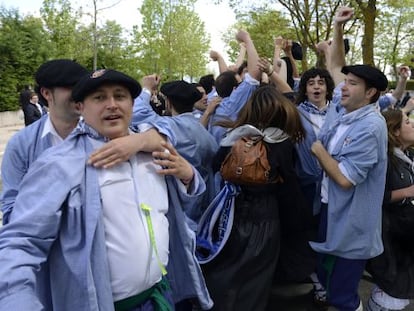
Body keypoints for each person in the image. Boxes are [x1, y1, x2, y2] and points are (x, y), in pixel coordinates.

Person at [0, 69, 212, 311]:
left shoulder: (153, 150)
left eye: (120, 96)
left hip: (161, 296)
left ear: (133, 103)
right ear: (80, 107)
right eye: (99, 98)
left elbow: (177, 206)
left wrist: (188, 176)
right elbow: (21, 240)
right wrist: (17, 300)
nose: (112, 105)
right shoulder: (58, 163)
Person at [1, 59, 172, 225]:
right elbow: (11, 208)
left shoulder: (106, 126)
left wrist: (143, 140)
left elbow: (171, 132)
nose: (80, 92)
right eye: (72, 87)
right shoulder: (22, 144)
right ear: (47, 93)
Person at [309, 6, 388, 311]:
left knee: (342, 294)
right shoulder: (345, 110)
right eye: (346, 82)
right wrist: (338, 28)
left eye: (353, 84)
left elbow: (344, 178)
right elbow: (336, 67)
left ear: (370, 93)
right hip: (331, 210)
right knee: (328, 282)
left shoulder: (370, 126)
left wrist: (318, 150)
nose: (343, 86)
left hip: (352, 224)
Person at [202, 84, 306, 311]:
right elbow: (289, 188)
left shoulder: (236, 135)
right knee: (256, 278)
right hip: (266, 216)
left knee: (226, 269)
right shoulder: (281, 141)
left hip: (230, 211)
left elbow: (215, 165)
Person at [133, 76, 219, 223]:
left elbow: (137, 114)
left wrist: (146, 88)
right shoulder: (205, 133)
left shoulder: (170, 126)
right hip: (200, 209)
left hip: (176, 210)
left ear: (168, 101)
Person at [365, 109, 414, 311]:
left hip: (403, 232)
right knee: (393, 286)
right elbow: (376, 197)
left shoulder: (406, 155)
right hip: (392, 235)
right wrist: (409, 191)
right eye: (408, 122)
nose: (413, 125)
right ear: (394, 131)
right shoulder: (385, 160)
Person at [207, 30, 261, 144]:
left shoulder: (212, 100)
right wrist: (247, 38)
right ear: (235, 90)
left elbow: (225, 77)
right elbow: (255, 73)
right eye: (240, 84)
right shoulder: (232, 104)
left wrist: (220, 58)